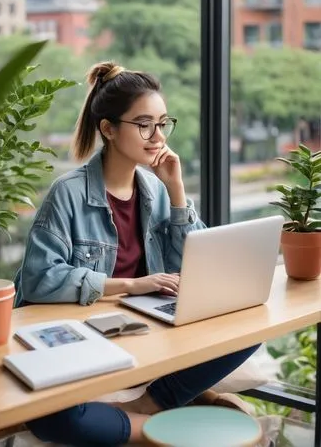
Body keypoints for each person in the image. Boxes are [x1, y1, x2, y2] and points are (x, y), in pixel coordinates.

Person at [14, 62, 259, 446]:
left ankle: (153, 401)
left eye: (163, 123)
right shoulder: (69, 194)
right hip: (85, 338)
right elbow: (39, 279)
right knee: (51, 419)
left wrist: (177, 191)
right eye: (144, 124)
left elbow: (193, 268)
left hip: (145, 333)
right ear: (108, 129)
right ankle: (157, 427)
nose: (157, 135)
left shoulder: (155, 189)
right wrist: (131, 283)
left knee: (252, 326)